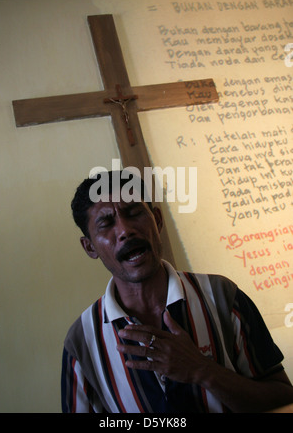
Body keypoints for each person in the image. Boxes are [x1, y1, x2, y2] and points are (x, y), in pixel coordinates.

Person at [61, 170, 293, 413]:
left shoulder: (223, 297)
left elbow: (284, 399)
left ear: (158, 220)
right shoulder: (82, 342)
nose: (125, 230)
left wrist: (202, 370)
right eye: (106, 223)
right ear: (89, 247)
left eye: (134, 213)